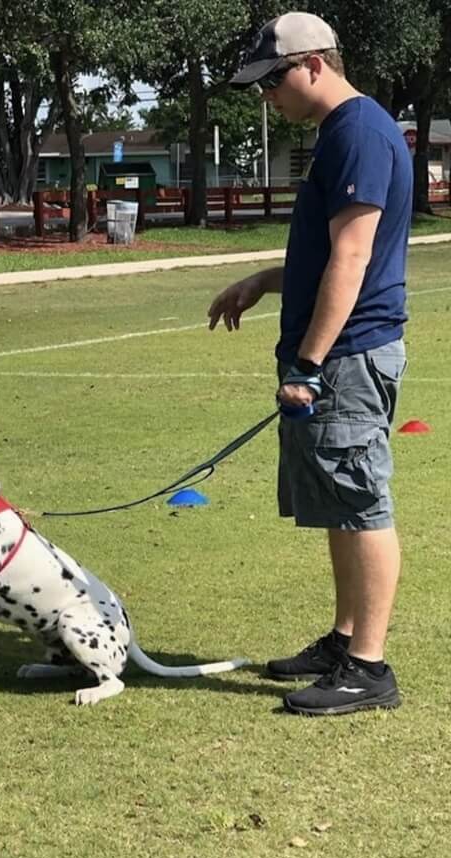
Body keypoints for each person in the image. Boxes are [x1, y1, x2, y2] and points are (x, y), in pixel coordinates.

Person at [207, 12, 412, 716]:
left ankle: (369, 669)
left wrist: (308, 364)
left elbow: (354, 259)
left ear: (315, 63)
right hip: (338, 353)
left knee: (361, 503)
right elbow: (328, 252)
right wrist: (267, 280)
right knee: (337, 502)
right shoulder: (341, 134)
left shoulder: (358, 132)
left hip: (348, 356)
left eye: (273, 81)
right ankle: (344, 640)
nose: (268, 97)